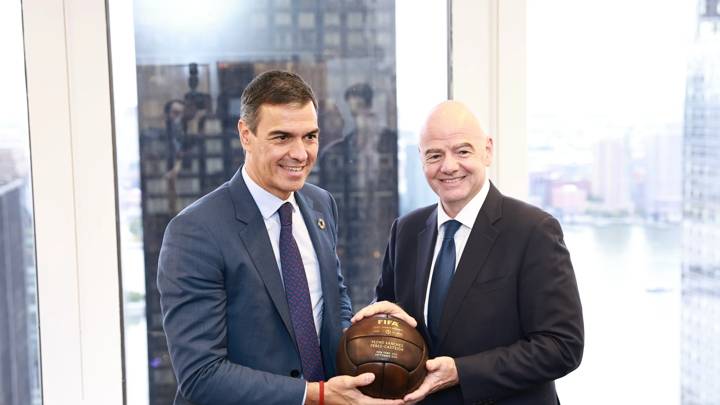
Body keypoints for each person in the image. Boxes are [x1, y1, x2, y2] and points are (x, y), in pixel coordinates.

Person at [157, 70, 403, 405]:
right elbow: (201, 374)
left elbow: (331, 298)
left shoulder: (320, 204)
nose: (301, 154)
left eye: (310, 136)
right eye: (282, 137)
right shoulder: (195, 232)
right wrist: (314, 395)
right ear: (246, 134)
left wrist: (367, 333)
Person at [354, 100, 584, 404]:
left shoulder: (534, 230)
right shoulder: (406, 230)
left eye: (462, 151)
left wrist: (461, 371)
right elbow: (389, 310)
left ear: (487, 150)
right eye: (435, 155)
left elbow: (562, 346)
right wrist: (381, 316)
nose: (448, 166)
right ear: (420, 158)